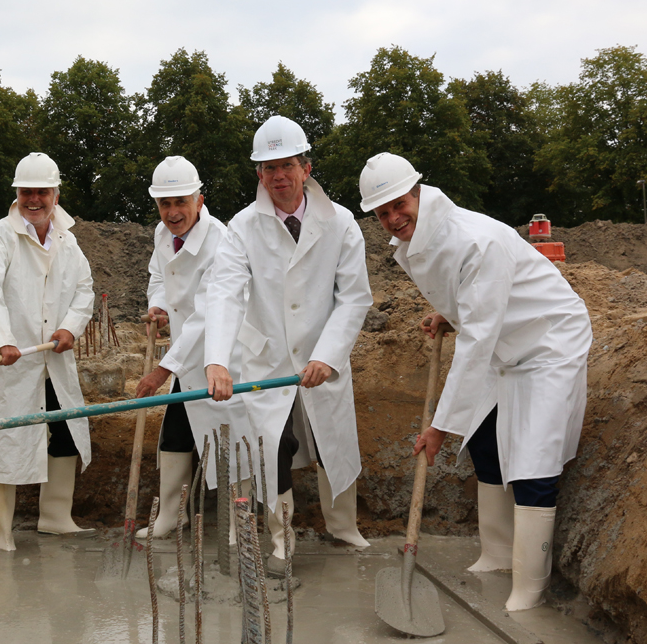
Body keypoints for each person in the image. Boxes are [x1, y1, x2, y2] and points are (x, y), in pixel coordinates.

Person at [359, 152, 592, 611]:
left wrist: (439, 427)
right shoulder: (423, 236)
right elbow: (472, 296)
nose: (392, 218)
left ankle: (530, 583)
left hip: (547, 341)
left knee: (533, 462)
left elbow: (477, 341)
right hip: (503, 337)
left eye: (399, 205)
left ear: (418, 192)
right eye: (381, 212)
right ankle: (498, 552)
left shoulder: (474, 239)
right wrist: (449, 312)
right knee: (486, 441)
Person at [205, 116, 373, 577]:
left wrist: (329, 354)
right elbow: (224, 291)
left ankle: (343, 526)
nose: (278, 176)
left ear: (306, 167)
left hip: (323, 354)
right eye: (268, 168)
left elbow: (355, 296)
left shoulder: (341, 224)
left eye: (287, 166)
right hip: (267, 359)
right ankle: (282, 538)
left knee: (329, 441)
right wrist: (217, 360)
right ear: (259, 175)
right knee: (272, 446)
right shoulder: (242, 227)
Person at [0, 152, 95, 551]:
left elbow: (84, 290)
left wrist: (70, 328)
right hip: (13, 361)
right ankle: (2, 534)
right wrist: (2, 338)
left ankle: (56, 517)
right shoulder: (0, 236)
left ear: (55, 194)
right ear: (17, 194)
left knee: (63, 432)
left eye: (42, 192)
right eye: (27, 192)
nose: (34, 200)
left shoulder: (67, 240)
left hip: (52, 358)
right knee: (3, 444)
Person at [135, 156, 253, 541]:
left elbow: (207, 316)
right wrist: (158, 305)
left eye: (180, 202)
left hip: (223, 354)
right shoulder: (161, 233)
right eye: (165, 204)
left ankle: (240, 526)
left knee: (231, 442)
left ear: (199, 200)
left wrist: (161, 370)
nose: (172, 212)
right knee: (175, 435)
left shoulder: (221, 241)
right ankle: (171, 516)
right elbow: (158, 275)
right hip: (185, 357)